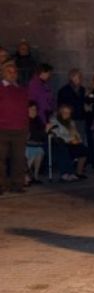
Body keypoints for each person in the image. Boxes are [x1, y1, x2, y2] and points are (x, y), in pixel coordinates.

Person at [0, 61, 29, 194]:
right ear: (3, 73)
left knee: (18, 159)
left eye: (14, 72)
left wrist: (26, 127)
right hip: (2, 129)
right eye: (9, 72)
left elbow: (25, 110)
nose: (12, 75)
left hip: (19, 130)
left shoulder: (21, 90)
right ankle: (1, 186)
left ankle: (17, 184)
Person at [48, 104, 89, 180]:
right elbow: (57, 134)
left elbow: (76, 133)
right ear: (60, 112)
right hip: (61, 143)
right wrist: (70, 139)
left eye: (68, 113)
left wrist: (78, 140)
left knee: (84, 150)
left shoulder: (71, 122)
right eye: (64, 112)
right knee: (65, 150)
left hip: (72, 142)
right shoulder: (54, 120)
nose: (66, 114)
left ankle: (78, 172)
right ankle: (66, 173)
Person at [57, 68, 87, 144]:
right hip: (70, 118)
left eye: (80, 77)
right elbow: (60, 106)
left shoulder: (82, 90)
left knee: (81, 138)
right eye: (76, 77)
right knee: (71, 139)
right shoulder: (64, 90)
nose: (79, 79)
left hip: (81, 118)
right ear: (71, 78)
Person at [25, 101, 47, 185]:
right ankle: (26, 176)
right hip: (27, 145)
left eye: (35, 109)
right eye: (31, 109)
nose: (34, 111)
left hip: (37, 144)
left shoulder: (38, 120)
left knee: (39, 151)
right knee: (33, 152)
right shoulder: (24, 120)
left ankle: (35, 176)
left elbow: (42, 134)